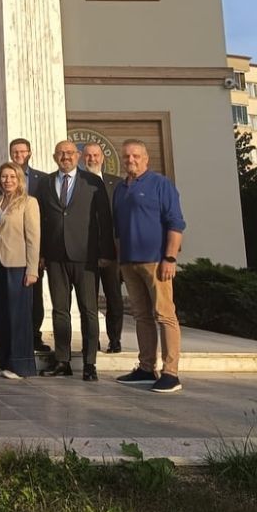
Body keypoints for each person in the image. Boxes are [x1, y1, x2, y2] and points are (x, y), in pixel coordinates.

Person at [113, 139, 186, 394]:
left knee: (165, 315)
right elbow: (118, 229)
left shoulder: (160, 184)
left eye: (135, 156)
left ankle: (171, 372)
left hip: (156, 261)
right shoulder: (120, 189)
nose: (130, 160)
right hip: (129, 262)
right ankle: (146, 368)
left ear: (146, 159)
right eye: (126, 156)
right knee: (141, 316)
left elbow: (175, 223)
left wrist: (170, 258)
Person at [37, 141, 113, 382]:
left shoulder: (92, 182)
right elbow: (40, 220)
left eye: (69, 153)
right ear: (54, 157)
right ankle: (62, 360)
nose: (65, 157)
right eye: (61, 153)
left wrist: (105, 252)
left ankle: (90, 362)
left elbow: (104, 218)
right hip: (55, 256)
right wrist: (40, 254)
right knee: (60, 310)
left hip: (86, 256)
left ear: (78, 156)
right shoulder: (45, 183)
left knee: (88, 310)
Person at [0, 162, 40, 379]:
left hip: (18, 265)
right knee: (0, 316)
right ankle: (4, 361)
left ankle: (20, 365)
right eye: (4, 177)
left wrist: (32, 269)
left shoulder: (28, 203)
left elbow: (33, 238)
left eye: (12, 177)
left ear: (19, 179)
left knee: (18, 316)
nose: (7, 180)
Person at [7, 138, 50, 353]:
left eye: (23, 151)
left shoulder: (42, 179)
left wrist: (42, 253)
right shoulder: (2, 177)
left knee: (34, 296)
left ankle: (34, 335)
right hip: (10, 250)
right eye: (15, 152)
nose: (19, 155)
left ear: (30, 153)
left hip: (34, 249)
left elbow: (45, 218)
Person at [82, 141, 125, 353]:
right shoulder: (78, 182)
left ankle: (115, 339)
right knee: (88, 301)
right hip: (85, 252)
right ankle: (92, 341)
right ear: (83, 158)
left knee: (114, 298)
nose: (92, 159)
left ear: (102, 157)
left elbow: (122, 217)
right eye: (88, 155)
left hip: (112, 252)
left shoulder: (117, 184)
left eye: (95, 155)